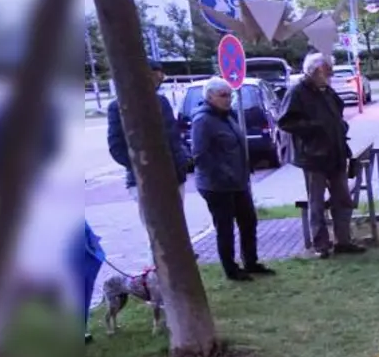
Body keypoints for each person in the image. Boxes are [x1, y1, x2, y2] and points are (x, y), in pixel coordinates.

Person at [278, 51, 365, 258]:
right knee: (316, 202)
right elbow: (285, 122)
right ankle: (321, 245)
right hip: (313, 157)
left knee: (342, 198)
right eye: (328, 70)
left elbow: (337, 112)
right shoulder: (297, 91)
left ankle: (343, 241)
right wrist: (315, 128)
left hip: (335, 152)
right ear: (317, 70)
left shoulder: (326, 89)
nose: (331, 74)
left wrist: (340, 127)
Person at [190, 78, 274, 281]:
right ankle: (231, 269)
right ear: (210, 97)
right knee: (225, 228)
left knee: (248, 221)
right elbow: (200, 155)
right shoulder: (203, 120)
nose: (228, 100)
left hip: (238, 181)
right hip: (217, 186)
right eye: (223, 96)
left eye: (230, 95)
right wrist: (223, 174)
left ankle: (251, 262)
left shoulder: (227, 116)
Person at [106, 58, 189, 206]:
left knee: (177, 221)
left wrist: (182, 158)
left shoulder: (162, 102)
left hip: (175, 175)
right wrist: (142, 165)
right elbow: (116, 147)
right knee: (158, 224)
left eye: (160, 78)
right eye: (154, 77)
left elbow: (174, 137)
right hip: (144, 180)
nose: (157, 82)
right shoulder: (119, 106)